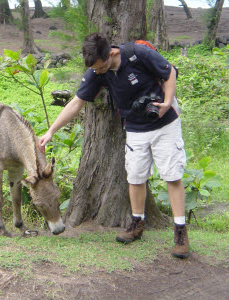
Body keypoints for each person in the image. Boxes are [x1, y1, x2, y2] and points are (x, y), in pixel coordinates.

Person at [38, 33, 189, 259]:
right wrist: (51, 131)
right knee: (135, 177)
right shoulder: (98, 71)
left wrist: (167, 103)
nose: (99, 73)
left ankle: (180, 233)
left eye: (101, 68)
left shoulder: (138, 54)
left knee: (172, 176)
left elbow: (169, 74)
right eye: (96, 70)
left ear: (111, 53)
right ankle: (136, 225)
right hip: (135, 128)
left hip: (164, 123)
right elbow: (77, 102)